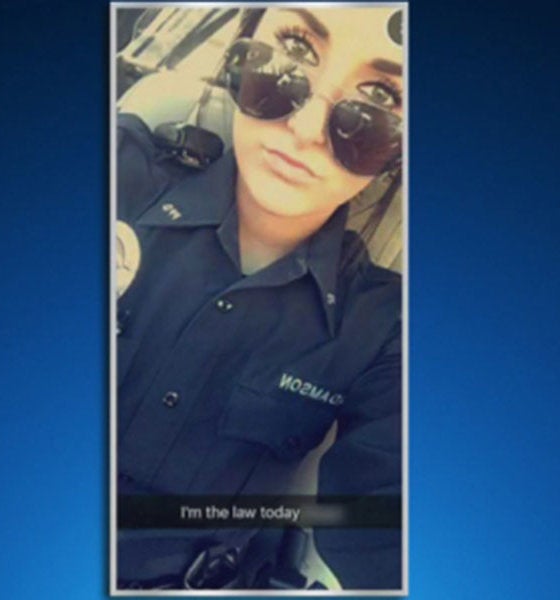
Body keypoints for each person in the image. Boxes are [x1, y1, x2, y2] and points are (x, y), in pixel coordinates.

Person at [115, 6, 404, 591]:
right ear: (243, 49)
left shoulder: (384, 328)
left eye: (379, 98)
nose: (305, 128)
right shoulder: (117, 175)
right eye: (294, 50)